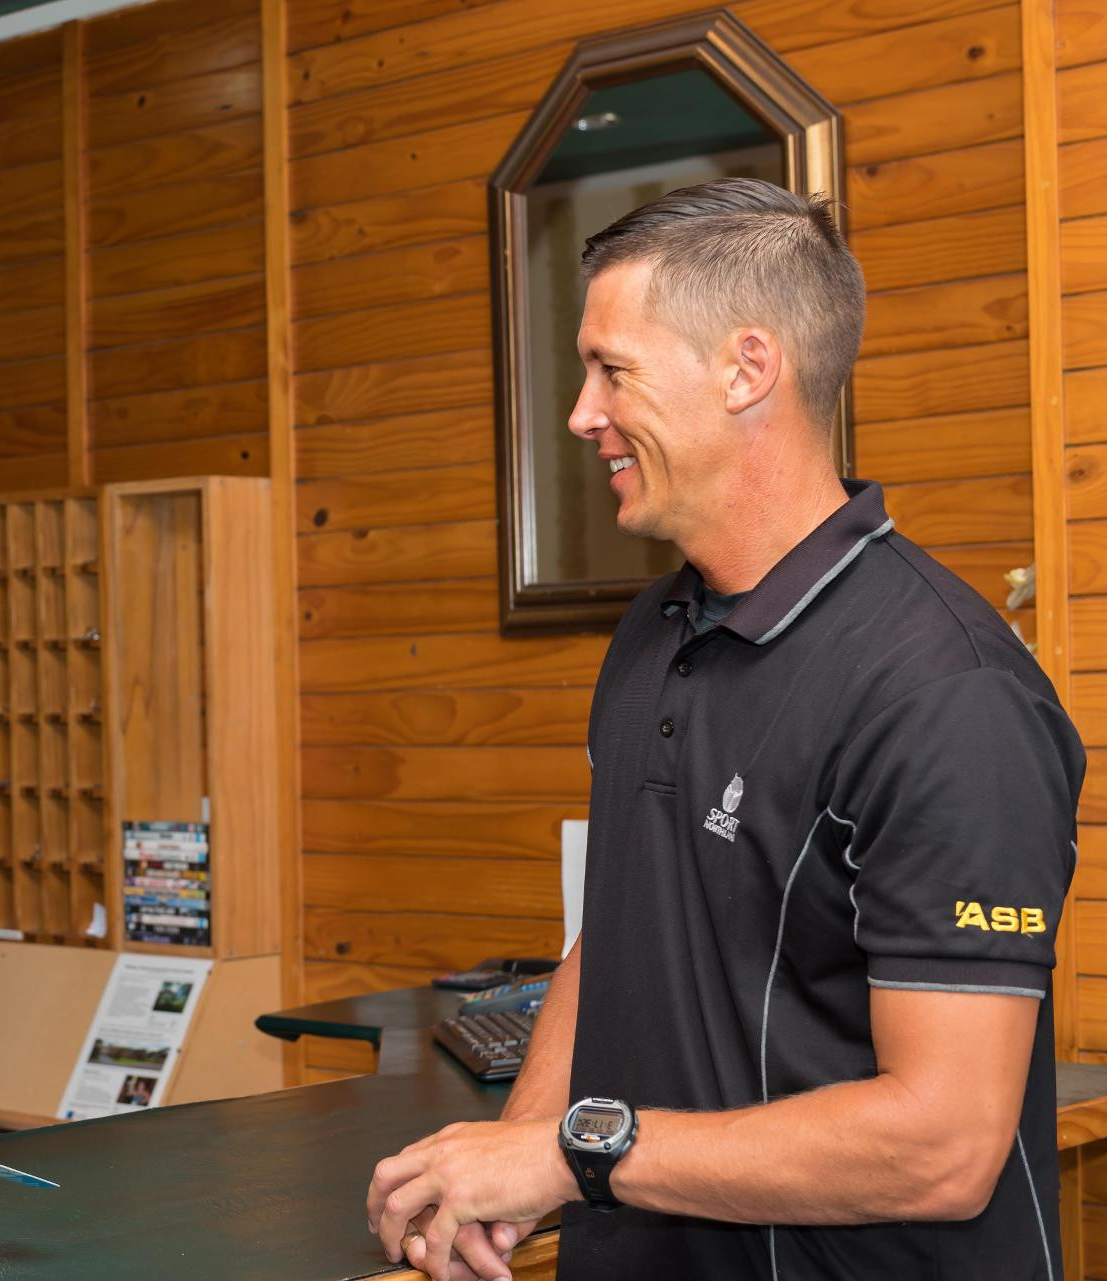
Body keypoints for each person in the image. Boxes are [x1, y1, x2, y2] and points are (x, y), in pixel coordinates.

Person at [366, 178, 1084, 1281]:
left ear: (748, 369)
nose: (582, 413)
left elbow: (945, 1147)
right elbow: (616, 931)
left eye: (613, 370)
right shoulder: (656, 628)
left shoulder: (948, 693)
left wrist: (573, 1156)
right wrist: (509, 1159)